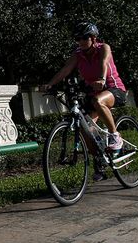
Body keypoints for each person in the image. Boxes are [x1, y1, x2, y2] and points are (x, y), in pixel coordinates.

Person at [41, 22, 128, 181]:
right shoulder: (78, 54)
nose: (80, 41)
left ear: (93, 38)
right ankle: (99, 162)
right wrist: (50, 84)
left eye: (84, 38)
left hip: (113, 88)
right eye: (77, 38)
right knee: (84, 127)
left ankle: (115, 136)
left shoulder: (103, 48)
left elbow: (103, 63)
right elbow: (65, 70)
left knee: (97, 101)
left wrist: (101, 79)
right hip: (94, 92)